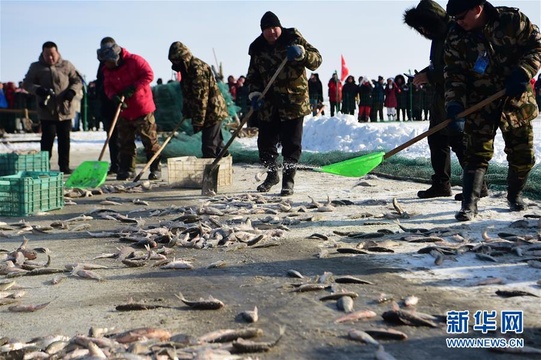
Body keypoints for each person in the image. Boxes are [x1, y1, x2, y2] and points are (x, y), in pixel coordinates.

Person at [444, 0, 541, 221]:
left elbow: (536, 45)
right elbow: (453, 73)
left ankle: (515, 195)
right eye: (454, 19)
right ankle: (469, 204)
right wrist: (455, 105)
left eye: (461, 17)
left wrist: (524, 71)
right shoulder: (456, 34)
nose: (458, 22)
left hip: (515, 99)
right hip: (479, 101)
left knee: (523, 155)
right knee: (476, 154)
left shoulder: (512, 20)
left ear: (477, 9)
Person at [246, 11, 322, 196]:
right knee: (265, 144)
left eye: (274, 28)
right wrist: (255, 94)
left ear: (279, 27)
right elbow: (252, 76)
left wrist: (302, 55)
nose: (272, 32)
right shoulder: (257, 48)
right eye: (267, 29)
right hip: (269, 105)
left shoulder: (293, 37)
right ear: (262, 31)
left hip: (293, 102)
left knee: (291, 144)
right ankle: (272, 175)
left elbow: (317, 60)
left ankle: (288, 180)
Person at [404, 0, 470, 199]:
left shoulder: (456, 32)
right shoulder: (438, 37)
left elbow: (461, 68)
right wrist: (424, 74)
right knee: (437, 138)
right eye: (420, 29)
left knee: (459, 140)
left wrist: (430, 77)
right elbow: (439, 64)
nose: (423, 32)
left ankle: (477, 185)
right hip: (440, 97)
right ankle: (441, 184)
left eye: (425, 26)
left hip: (457, 97)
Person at [98, 40, 162, 181]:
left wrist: (133, 88)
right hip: (124, 110)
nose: (106, 65)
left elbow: (149, 74)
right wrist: (113, 96)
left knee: (149, 140)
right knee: (125, 142)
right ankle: (127, 169)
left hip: (142, 108)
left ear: (116, 57)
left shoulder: (135, 60)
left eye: (108, 62)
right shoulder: (107, 69)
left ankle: (155, 168)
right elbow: (107, 86)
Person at [22, 41, 82, 174]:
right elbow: (27, 83)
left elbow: (77, 81)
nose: (50, 58)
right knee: (47, 139)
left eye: (52, 54)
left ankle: (64, 166)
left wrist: (72, 91)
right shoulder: (36, 67)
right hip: (47, 111)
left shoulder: (67, 65)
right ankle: (44, 166)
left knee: (64, 139)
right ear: (42, 54)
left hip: (65, 110)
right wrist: (38, 90)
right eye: (47, 55)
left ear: (57, 53)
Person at [168, 41, 229, 159]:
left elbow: (201, 98)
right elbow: (187, 94)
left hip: (212, 111)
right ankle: (222, 170)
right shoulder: (185, 69)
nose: (174, 64)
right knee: (217, 144)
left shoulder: (197, 69)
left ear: (182, 58)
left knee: (209, 146)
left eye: (175, 60)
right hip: (206, 111)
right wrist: (186, 110)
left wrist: (198, 122)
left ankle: (211, 175)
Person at [95, 36, 120, 174]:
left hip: (119, 103)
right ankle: (115, 164)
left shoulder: (118, 61)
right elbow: (101, 85)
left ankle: (123, 165)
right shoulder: (102, 64)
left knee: (122, 137)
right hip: (107, 105)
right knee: (112, 137)